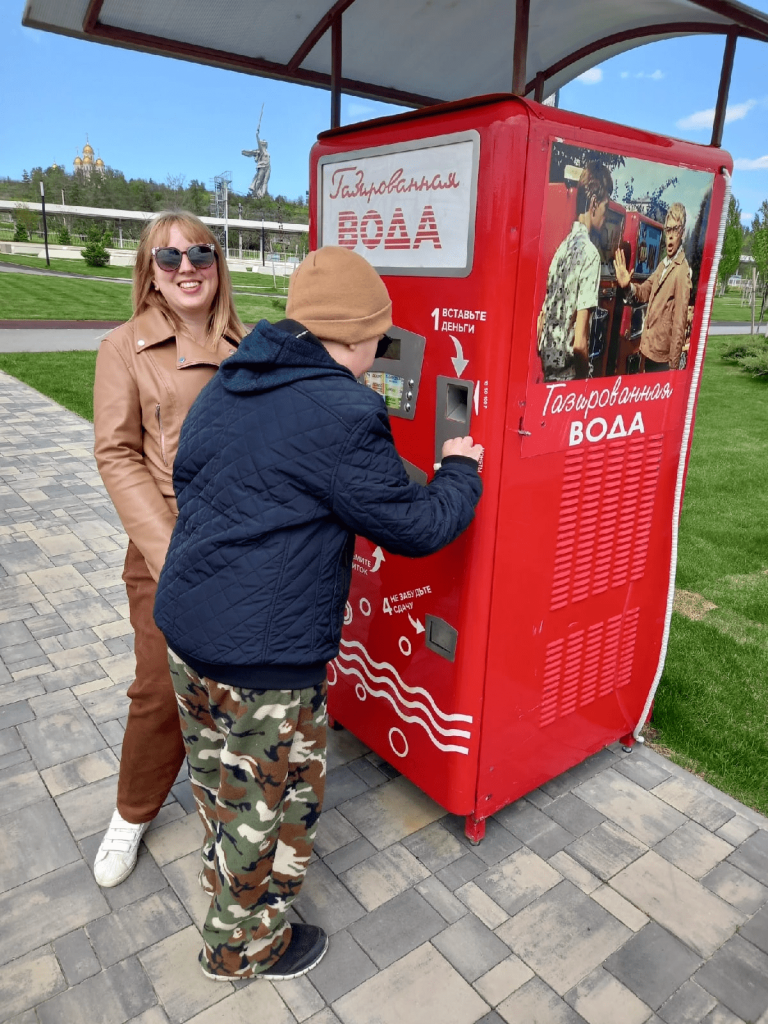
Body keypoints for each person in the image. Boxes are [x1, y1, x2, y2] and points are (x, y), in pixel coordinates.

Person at [153, 246, 483, 981]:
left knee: (219, 789)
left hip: (188, 632)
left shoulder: (236, 376)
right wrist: (461, 469)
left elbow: (220, 476)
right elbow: (417, 528)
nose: (383, 353)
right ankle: (240, 948)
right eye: (382, 339)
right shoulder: (343, 408)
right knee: (272, 807)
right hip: (262, 661)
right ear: (361, 334)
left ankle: (235, 898)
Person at [92, 211, 245, 887]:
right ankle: (131, 813)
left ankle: (235, 810)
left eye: (201, 254)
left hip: (245, 547)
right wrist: (170, 549)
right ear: (149, 272)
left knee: (237, 692)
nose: (187, 268)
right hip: (169, 549)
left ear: (219, 265)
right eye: (169, 257)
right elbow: (116, 454)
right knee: (159, 690)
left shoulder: (250, 347)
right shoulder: (123, 348)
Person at [538, 162, 613, 380]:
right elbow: (580, 343)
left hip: (548, 376)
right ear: (593, 203)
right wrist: (583, 387)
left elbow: (542, 324)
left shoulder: (562, 249)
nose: (606, 216)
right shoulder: (590, 255)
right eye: (605, 208)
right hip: (569, 379)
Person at [614, 201, 691, 371]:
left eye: (675, 230)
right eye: (668, 230)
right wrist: (628, 286)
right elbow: (644, 291)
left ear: (682, 233)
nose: (670, 236)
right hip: (647, 351)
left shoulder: (681, 272)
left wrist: (673, 368)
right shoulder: (663, 265)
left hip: (662, 360)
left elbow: (680, 324)